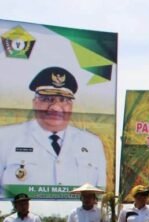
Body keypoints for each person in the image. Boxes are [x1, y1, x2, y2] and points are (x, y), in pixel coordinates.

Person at [0, 67, 107, 195]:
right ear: (35, 103)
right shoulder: (6, 138)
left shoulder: (92, 143)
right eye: (47, 99)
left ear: (71, 106)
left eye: (63, 100)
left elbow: (100, 194)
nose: (55, 108)